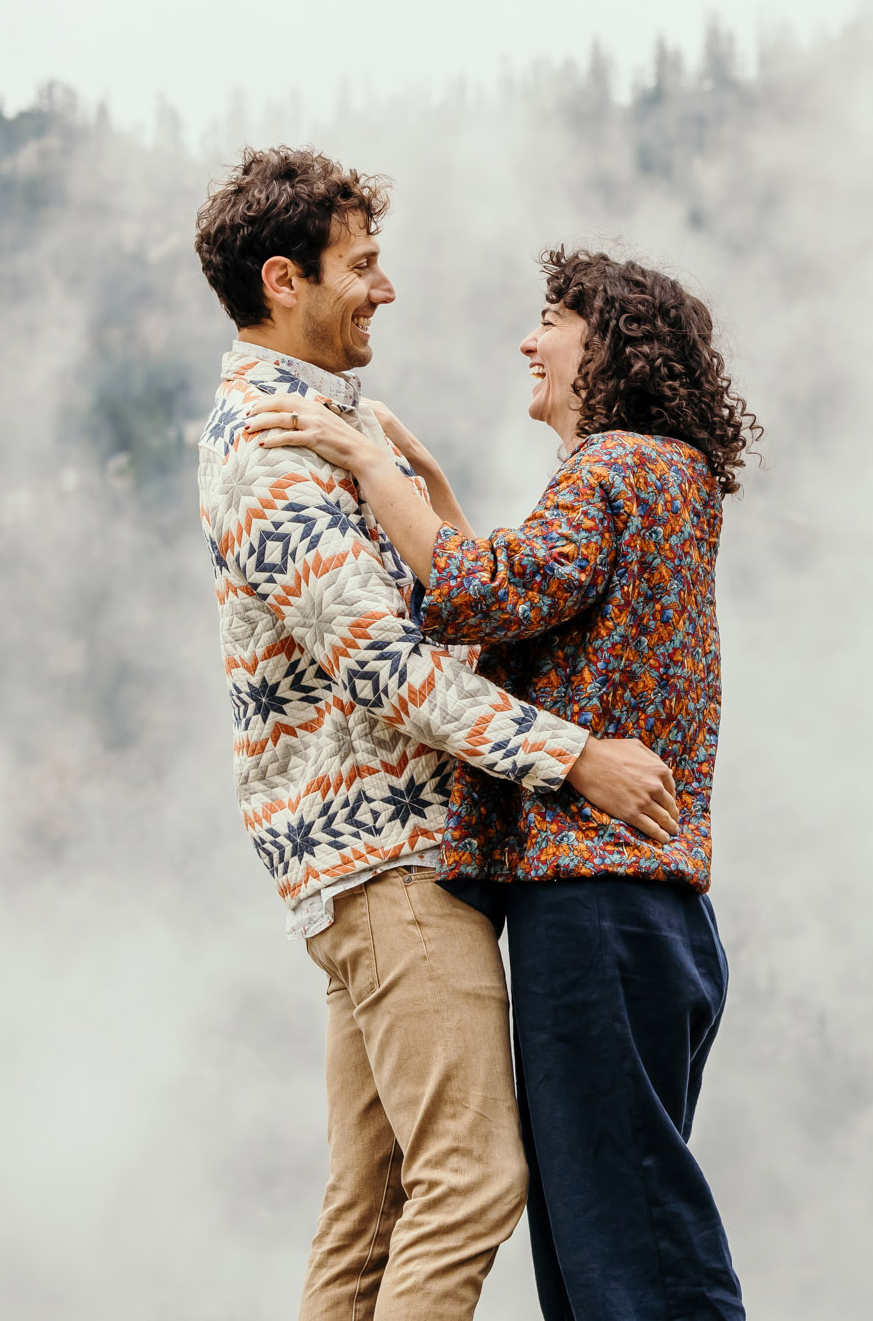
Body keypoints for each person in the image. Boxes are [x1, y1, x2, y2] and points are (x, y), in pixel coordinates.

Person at [191, 147, 681, 1321]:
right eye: (361, 264)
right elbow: (383, 665)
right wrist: (577, 756)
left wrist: (437, 508)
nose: (386, 286)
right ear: (283, 281)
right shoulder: (270, 445)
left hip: (367, 867)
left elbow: (412, 632)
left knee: (369, 1204)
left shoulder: (324, 425)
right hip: (393, 865)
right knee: (472, 1178)